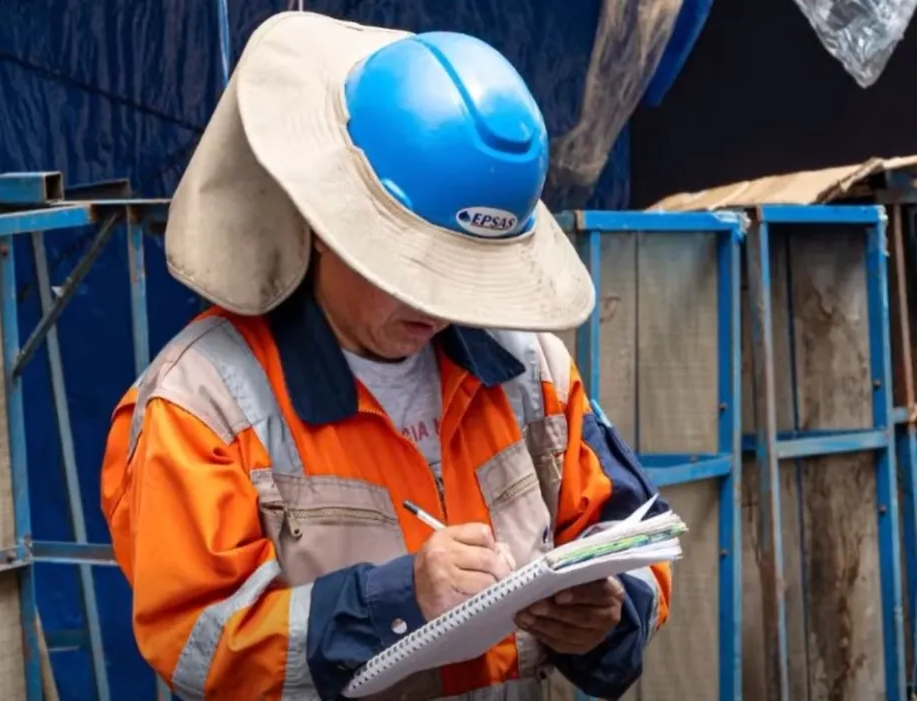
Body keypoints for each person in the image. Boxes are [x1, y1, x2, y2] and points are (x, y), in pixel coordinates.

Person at [100, 10, 672, 701]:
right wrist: (396, 599)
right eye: (408, 266)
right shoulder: (200, 403)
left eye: (461, 271)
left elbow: (630, 534)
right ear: (320, 223)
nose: (433, 304)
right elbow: (198, 645)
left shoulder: (533, 372)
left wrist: (606, 619)